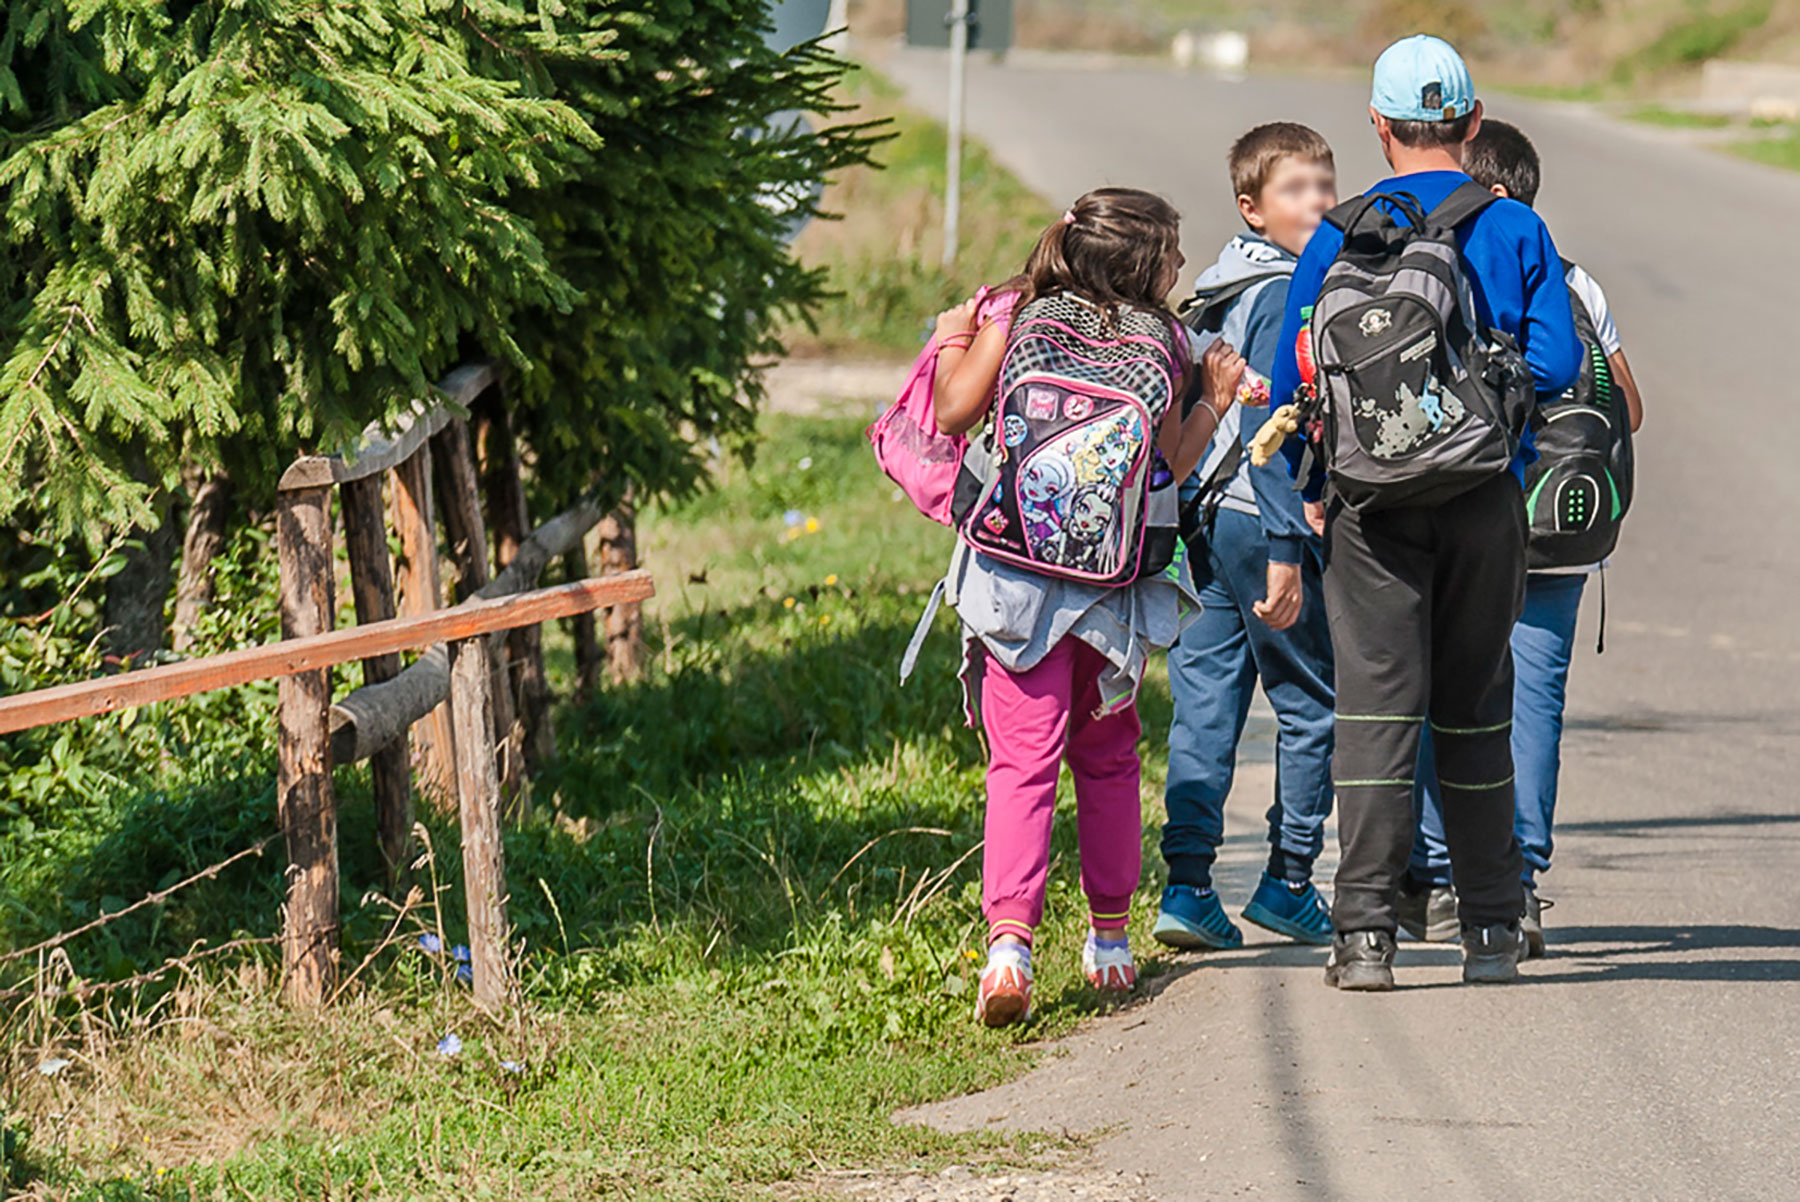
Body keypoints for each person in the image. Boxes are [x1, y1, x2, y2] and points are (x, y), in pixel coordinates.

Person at [1267, 35, 1584, 990]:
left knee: (1376, 706)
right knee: (1476, 703)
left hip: (1368, 507)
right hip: (1485, 497)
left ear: (1379, 125)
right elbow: (1563, 365)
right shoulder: (1515, 227)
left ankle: (1364, 935)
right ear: (1473, 121)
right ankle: (1490, 927)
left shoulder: (1339, 231)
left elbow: (1294, 378)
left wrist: (1315, 494)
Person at [928, 188, 1246, 1027]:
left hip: (1012, 588)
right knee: (1107, 760)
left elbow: (953, 410)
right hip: (1113, 598)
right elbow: (1169, 465)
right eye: (1173, 255)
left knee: (1019, 765)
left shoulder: (1020, 314)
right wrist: (1211, 398)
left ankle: (1007, 951)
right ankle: (1108, 942)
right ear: (1144, 266)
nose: (1181, 266)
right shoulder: (1169, 343)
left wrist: (953, 336)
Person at [1402, 118, 1647, 955]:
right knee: (1535, 699)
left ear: (1488, 194)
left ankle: (1439, 878)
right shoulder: (1580, 284)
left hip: (1471, 508)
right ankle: (1523, 881)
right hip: (1563, 525)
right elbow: (1630, 409)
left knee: (1447, 691)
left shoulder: (1447, 271)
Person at [1154, 124, 1340, 952]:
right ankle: (1288, 881)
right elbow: (1274, 426)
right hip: (1258, 522)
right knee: (1309, 704)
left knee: (1204, 707)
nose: (1320, 202)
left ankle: (1187, 885)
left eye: (1326, 184)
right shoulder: (1282, 293)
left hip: (1201, 526)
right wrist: (1286, 550)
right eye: (1297, 189)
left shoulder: (1216, 287)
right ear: (1251, 207)